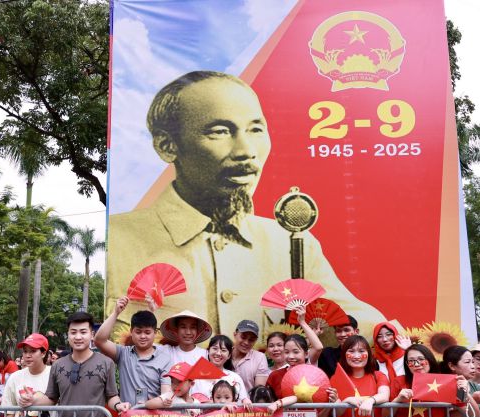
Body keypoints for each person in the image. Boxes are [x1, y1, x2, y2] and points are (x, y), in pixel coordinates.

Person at [106, 70, 386, 337]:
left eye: (255, 130)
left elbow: (355, 324)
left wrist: (417, 349)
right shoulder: (118, 239)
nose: (246, 152)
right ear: (167, 145)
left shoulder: (290, 244)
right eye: (219, 131)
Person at [94, 296, 172, 406]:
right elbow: (99, 340)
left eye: (147, 332)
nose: (143, 336)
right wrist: (116, 313)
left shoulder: (164, 359)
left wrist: (146, 405)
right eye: (138, 332)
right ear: (131, 332)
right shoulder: (123, 353)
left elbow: (166, 394)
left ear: (155, 333)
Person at [191, 335, 249, 405]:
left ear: (229, 355)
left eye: (223, 350)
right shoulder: (196, 376)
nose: (218, 353)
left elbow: (243, 401)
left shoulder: (235, 378)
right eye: (215, 349)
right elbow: (190, 401)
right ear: (208, 351)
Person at [230, 320, 270, 392]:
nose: (246, 342)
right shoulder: (224, 354)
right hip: (223, 402)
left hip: (249, 403)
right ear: (235, 334)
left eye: (251, 340)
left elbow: (259, 391)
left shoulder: (259, 358)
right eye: (243, 337)